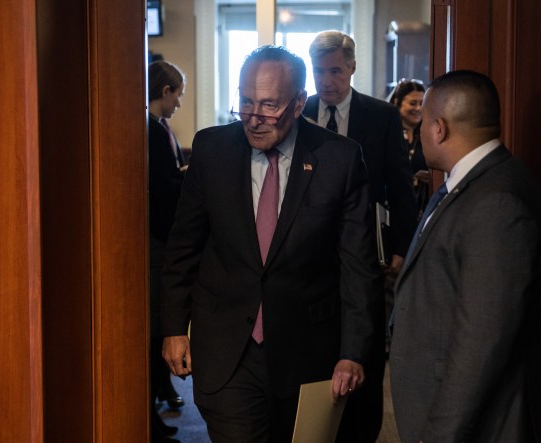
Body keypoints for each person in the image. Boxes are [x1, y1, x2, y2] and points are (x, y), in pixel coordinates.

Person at [160, 45, 381, 443]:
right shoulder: (212, 149)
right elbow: (184, 245)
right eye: (245, 102)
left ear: (298, 104)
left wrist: (354, 351)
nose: (254, 118)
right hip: (227, 348)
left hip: (307, 350)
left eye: (268, 105)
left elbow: (357, 265)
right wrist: (174, 327)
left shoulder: (339, 159)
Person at [389, 70, 541, 442]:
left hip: (477, 426)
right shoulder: (469, 183)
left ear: (439, 128)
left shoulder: (497, 203)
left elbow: (481, 342)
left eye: (423, 122)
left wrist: (438, 434)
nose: (418, 132)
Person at [303, 30, 418, 442]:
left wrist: (403, 248)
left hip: (366, 249)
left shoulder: (380, 116)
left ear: (352, 67)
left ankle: (362, 430)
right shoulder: (301, 111)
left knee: (363, 342)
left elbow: (401, 189)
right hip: (308, 251)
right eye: (319, 71)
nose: (326, 80)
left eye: (335, 70)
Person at [148, 59, 187, 443]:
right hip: (156, 240)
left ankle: (160, 397)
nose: (178, 104)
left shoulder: (159, 129)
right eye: (177, 95)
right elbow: (160, 189)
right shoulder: (152, 131)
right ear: (165, 91)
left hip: (159, 238)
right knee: (155, 325)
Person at [387, 79, 431, 212]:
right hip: (394, 207)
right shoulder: (387, 134)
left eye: (422, 103)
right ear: (397, 102)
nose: (418, 108)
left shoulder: (430, 135)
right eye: (413, 103)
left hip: (424, 206)